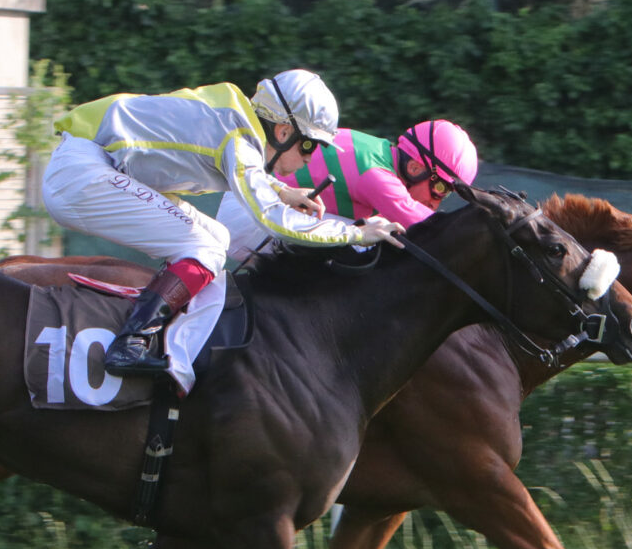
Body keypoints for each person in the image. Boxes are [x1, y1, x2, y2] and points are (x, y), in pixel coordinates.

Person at [42, 69, 404, 377]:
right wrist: (357, 232)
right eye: (309, 147)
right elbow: (274, 222)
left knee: (216, 234)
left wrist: (280, 189)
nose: (309, 160)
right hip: (83, 173)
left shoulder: (237, 120)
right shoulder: (240, 139)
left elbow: (245, 173)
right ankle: (131, 343)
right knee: (206, 247)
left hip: (88, 164)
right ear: (282, 132)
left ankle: (159, 331)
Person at [218, 119, 480, 261]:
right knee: (374, 243)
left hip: (253, 203)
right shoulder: (377, 178)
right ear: (414, 168)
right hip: (248, 216)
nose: (438, 201)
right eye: (439, 188)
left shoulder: (380, 152)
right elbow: (431, 229)